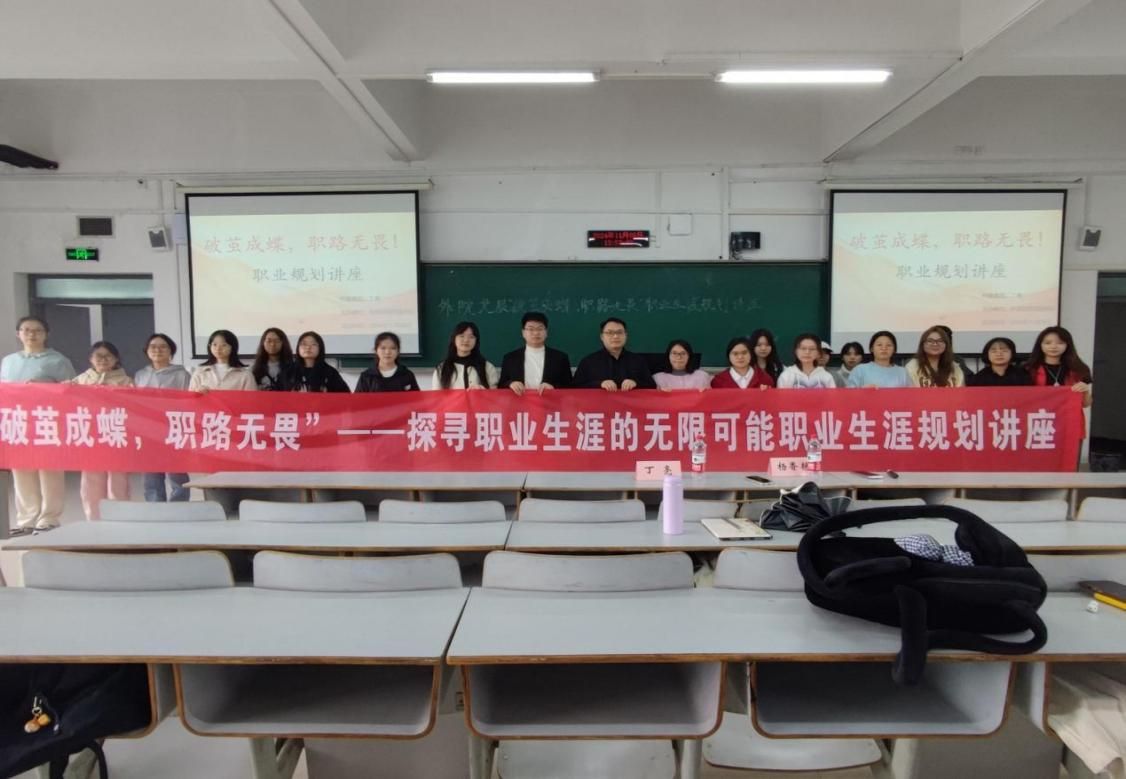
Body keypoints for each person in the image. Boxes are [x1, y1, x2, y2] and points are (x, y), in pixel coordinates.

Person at [0, 316, 76, 533]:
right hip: (18, 422)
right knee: (22, 471)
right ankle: (26, 520)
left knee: (49, 470)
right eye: (26, 330)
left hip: (47, 421)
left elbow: (71, 389)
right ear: (18, 334)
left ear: (46, 334)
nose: (31, 334)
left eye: (37, 330)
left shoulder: (58, 360)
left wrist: (44, 387)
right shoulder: (9, 361)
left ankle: (49, 518)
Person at [68, 341, 133, 520]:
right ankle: (94, 518)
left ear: (116, 359)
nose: (103, 360)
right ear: (91, 359)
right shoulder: (80, 380)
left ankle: (119, 517)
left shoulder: (126, 381)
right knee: (91, 479)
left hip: (116, 434)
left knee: (118, 478)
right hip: (90, 434)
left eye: (108, 356)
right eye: (98, 356)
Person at [134, 333, 192, 502]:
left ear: (170, 351)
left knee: (177, 473)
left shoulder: (181, 374)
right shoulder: (140, 375)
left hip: (173, 429)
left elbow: (188, 403)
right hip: (148, 430)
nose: (157, 350)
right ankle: (156, 508)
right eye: (153, 347)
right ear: (147, 351)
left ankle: (179, 507)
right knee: (151, 474)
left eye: (163, 347)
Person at [498, 312, 572, 395]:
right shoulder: (510, 358)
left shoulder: (560, 358)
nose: (536, 333)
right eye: (531, 329)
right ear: (523, 333)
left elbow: (570, 387)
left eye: (540, 329)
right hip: (519, 402)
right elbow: (501, 385)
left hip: (550, 401)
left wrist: (553, 387)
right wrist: (510, 384)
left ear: (546, 332)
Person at [572, 318, 656, 391]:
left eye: (619, 332)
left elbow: (652, 385)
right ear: (602, 337)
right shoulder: (588, 362)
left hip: (631, 404)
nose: (615, 336)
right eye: (610, 332)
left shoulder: (638, 360)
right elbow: (575, 387)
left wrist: (635, 383)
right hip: (599, 404)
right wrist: (599, 384)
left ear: (626, 335)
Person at [1026, 326, 1092, 402]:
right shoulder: (1029, 369)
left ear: (1067, 345)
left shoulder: (1078, 368)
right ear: (1040, 345)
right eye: (1048, 343)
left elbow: (1085, 404)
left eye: (1060, 343)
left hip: (1067, 409)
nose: (1053, 346)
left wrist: (1086, 391)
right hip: (1039, 409)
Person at [433, 321, 499, 390]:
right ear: (454, 339)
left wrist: (482, 390)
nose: (466, 340)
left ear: (476, 341)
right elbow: (436, 395)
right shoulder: (442, 368)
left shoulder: (487, 367)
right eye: (461, 336)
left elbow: (495, 393)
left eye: (471, 337)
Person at [280, 331, 350, 393]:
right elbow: (277, 396)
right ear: (298, 348)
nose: (308, 347)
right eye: (304, 344)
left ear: (320, 348)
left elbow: (345, 396)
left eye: (313, 344)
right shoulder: (288, 371)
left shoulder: (330, 372)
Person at [189, 330, 257, 392]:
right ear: (209, 346)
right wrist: (197, 392)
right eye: (214, 345)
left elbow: (252, 399)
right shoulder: (200, 372)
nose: (218, 348)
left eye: (224, 345)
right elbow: (190, 398)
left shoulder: (245, 375)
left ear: (233, 347)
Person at [356, 332, 420, 392]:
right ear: (376, 350)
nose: (387, 352)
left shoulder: (407, 375)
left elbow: (417, 398)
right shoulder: (366, 376)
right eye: (383, 348)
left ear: (398, 351)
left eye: (393, 348)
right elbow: (358, 399)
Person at [968, 337, 1032, 387]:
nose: (999, 354)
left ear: (1012, 353)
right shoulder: (978, 378)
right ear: (987, 354)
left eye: (1004, 351)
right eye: (994, 351)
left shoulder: (1022, 376)